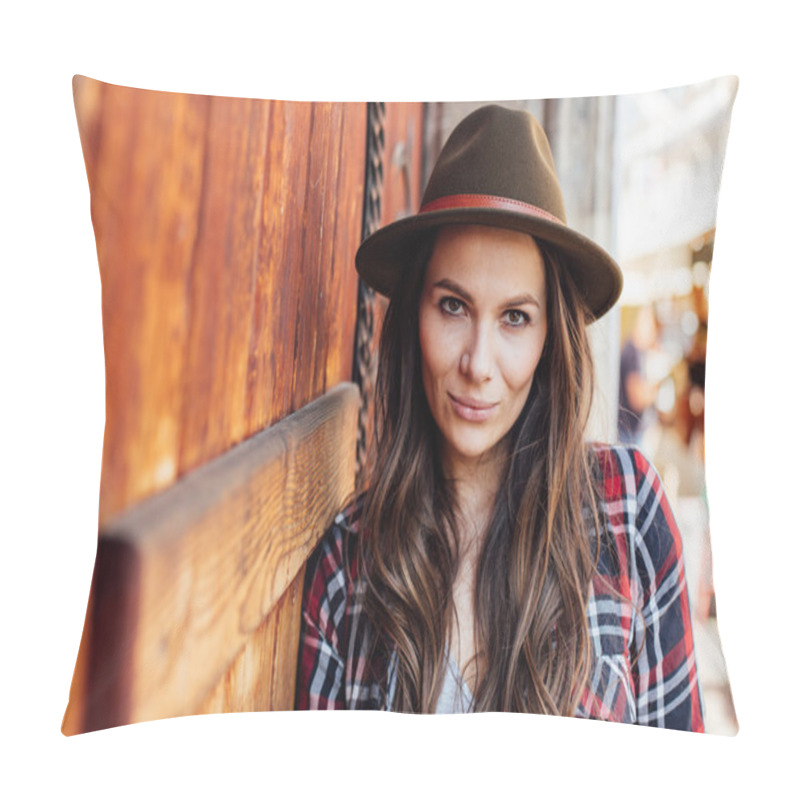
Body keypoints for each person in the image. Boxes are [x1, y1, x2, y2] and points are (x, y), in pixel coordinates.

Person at [295, 105, 703, 730]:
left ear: (549, 340)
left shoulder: (629, 513)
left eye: (515, 317)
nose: (478, 364)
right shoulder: (348, 563)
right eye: (453, 305)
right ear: (414, 317)